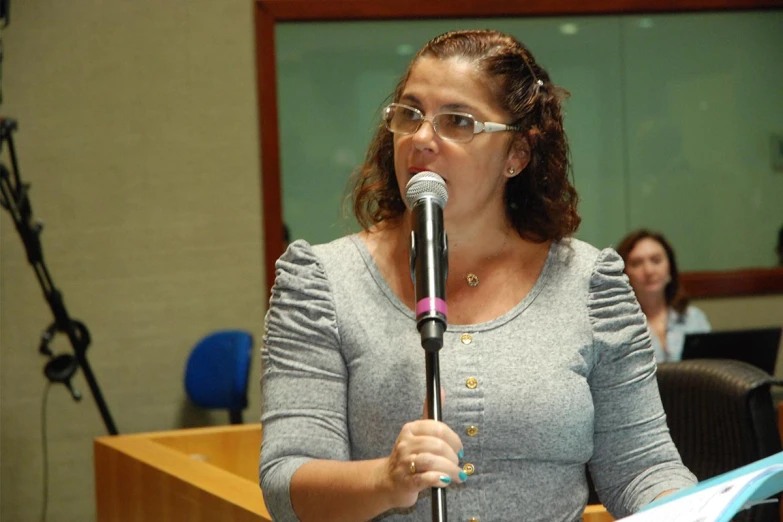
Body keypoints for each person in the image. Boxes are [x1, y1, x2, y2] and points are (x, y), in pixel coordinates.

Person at [260, 29, 696, 522]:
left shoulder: (589, 285)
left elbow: (642, 468)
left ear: (517, 155)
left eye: (457, 122)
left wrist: (688, 509)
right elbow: (286, 484)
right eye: (410, 114)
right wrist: (385, 480)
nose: (422, 138)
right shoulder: (323, 282)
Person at [616, 229, 711, 363]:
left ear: (670, 268)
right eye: (637, 263)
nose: (648, 271)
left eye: (656, 261)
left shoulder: (694, 319)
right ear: (624, 273)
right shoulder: (617, 326)